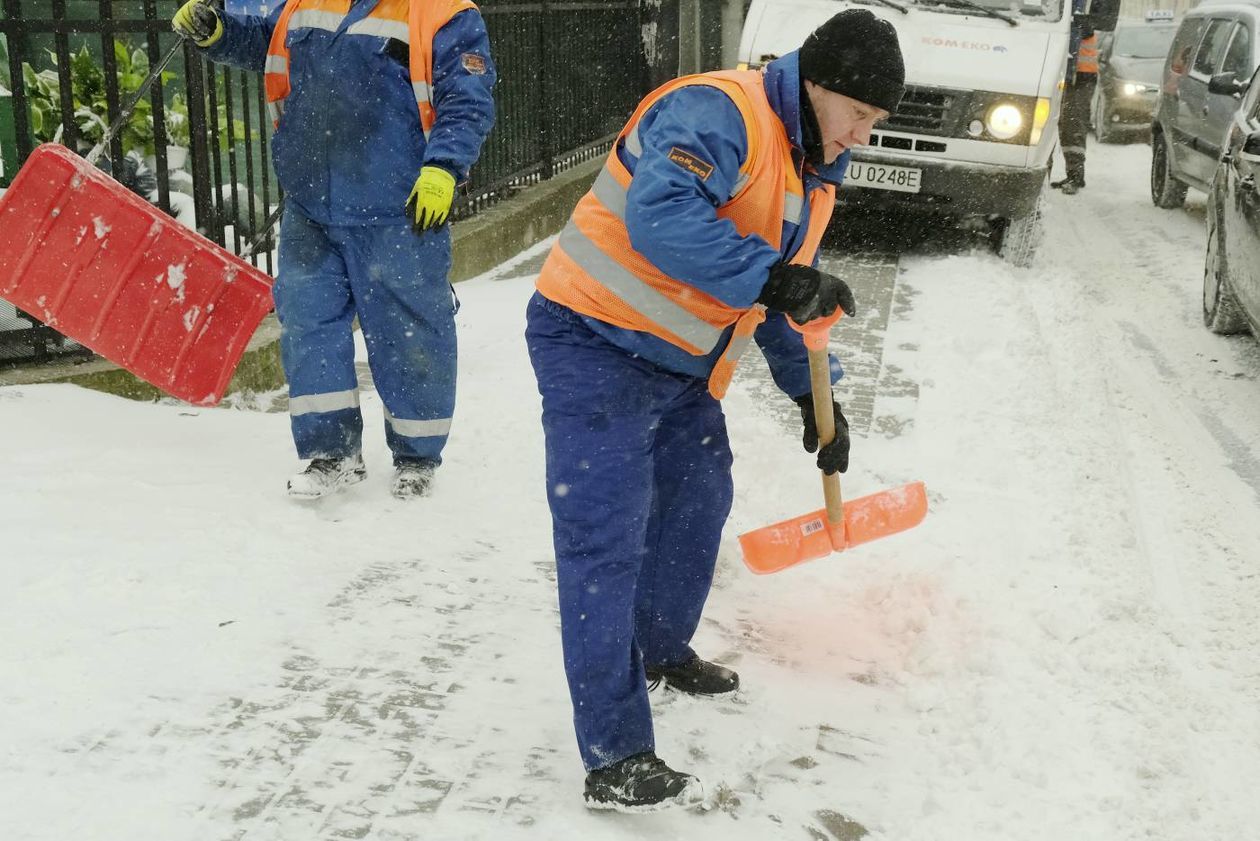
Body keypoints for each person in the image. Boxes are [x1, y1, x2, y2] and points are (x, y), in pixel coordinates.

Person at [524, 9, 904, 811]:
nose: (864, 135)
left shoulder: (811, 167)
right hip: (592, 339)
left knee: (699, 499)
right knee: (604, 536)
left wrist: (814, 401)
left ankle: (659, 648)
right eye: (862, 116)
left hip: (679, 365)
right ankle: (615, 752)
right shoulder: (718, 112)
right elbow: (662, 217)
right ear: (822, 87)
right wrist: (774, 279)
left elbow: (784, 298)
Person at [172, 0, 496, 499]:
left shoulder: (443, 12)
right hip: (311, 202)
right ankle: (331, 453)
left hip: (398, 208)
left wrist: (445, 166)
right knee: (310, 326)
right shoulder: (308, 4)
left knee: (408, 332)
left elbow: (466, 96)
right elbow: (268, 44)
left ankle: (416, 455)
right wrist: (218, 33)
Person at [1052, 0, 1099, 195]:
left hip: (1080, 75)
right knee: (1060, 126)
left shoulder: (1080, 8)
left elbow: (1082, 26)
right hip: (1062, 72)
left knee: (1072, 126)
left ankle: (1075, 176)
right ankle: (1051, 172)